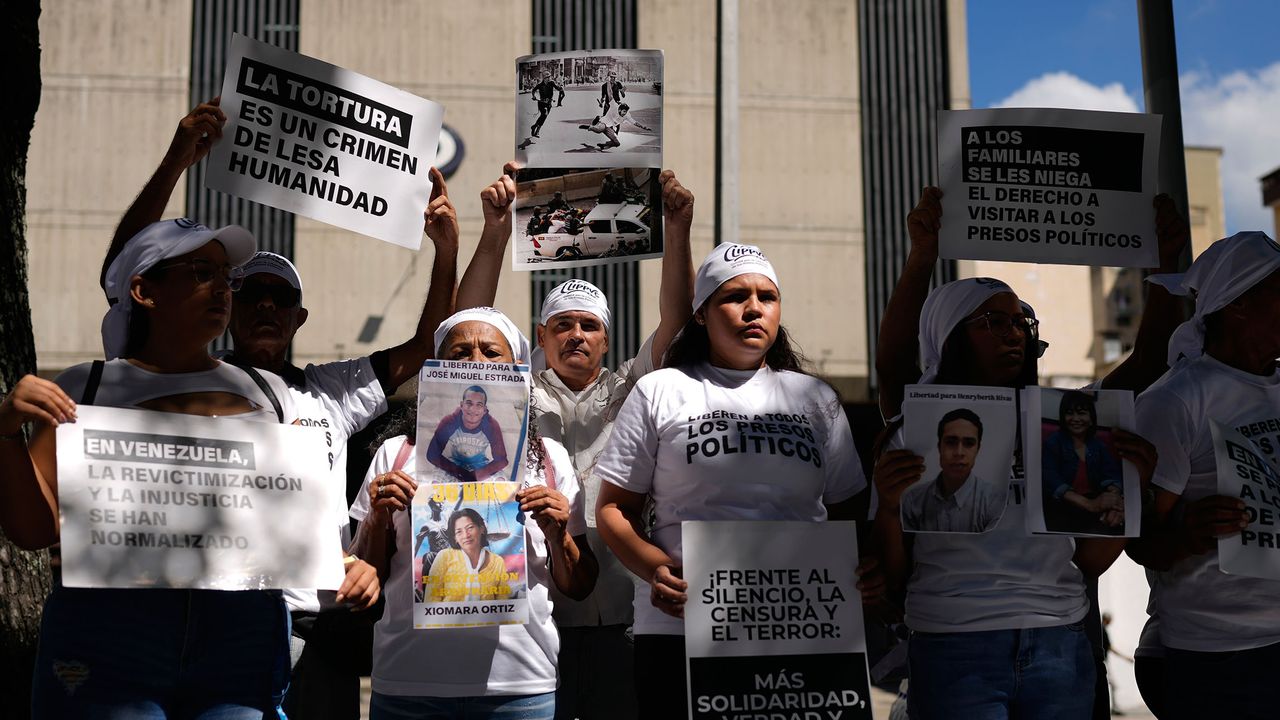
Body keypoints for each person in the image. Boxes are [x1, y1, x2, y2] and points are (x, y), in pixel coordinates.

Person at [97, 98, 461, 719]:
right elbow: (126, 271)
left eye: (280, 296)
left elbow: (427, 348)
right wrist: (178, 159)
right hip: (218, 624)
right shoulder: (183, 376)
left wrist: (445, 249)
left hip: (319, 634)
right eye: (249, 293)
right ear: (226, 307)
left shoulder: (331, 391)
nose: (265, 305)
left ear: (299, 317)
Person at [0, 219, 378, 716]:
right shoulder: (83, 388)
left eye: (226, 275)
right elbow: (33, 530)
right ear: (144, 291)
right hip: (111, 636)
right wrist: (7, 435)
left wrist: (348, 564)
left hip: (239, 636)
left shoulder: (270, 393)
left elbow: (288, 522)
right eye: (202, 271)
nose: (222, 287)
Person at [873, 186, 1189, 720]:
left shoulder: (1066, 420)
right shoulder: (919, 427)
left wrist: (1164, 267)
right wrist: (921, 257)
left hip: (1060, 646)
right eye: (993, 322)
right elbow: (892, 365)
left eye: (1022, 322)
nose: (1014, 334)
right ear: (948, 336)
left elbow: (1147, 363)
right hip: (953, 648)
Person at [594, 242, 872, 718]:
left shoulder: (815, 398)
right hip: (682, 628)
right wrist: (655, 569)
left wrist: (863, 568)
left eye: (767, 297)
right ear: (701, 313)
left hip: (802, 627)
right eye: (735, 296)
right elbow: (615, 509)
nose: (754, 309)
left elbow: (848, 511)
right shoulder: (662, 389)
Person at [467, 164, 695, 720]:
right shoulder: (512, 392)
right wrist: (495, 232)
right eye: (562, 325)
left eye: (588, 326)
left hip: (624, 617)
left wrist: (678, 229)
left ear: (606, 339)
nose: (575, 335)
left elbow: (678, 323)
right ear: (540, 337)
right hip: (534, 618)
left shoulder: (635, 389)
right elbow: (466, 326)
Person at [349, 306, 597, 720]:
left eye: (491, 352)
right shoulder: (397, 455)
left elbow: (580, 585)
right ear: (436, 367)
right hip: (409, 683)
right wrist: (376, 516)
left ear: (517, 368)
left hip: (519, 689)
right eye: (460, 352)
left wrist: (559, 535)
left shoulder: (548, 459)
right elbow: (364, 576)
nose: (476, 362)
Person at [1127, 231, 1280, 720]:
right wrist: (1190, 533)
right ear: (1238, 304)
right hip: (1221, 657)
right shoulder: (1175, 399)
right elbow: (1142, 544)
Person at [900, 408, 1006, 533]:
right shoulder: (913, 500)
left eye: (969, 443)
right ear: (939, 447)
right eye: (950, 442)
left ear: (978, 449)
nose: (959, 453)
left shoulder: (994, 501)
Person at [1042, 391, 1124, 535]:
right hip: (1062, 504)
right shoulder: (1053, 443)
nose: (1075, 419)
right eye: (1069, 413)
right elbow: (1051, 479)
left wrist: (1113, 498)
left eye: (1081, 413)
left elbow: (1112, 473)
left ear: (1091, 419)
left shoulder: (1098, 446)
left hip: (1093, 501)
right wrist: (1090, 505)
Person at [425, 385, 509, 482]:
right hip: (455, 465)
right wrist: (461, 473)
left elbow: (501, 460)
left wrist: (476, 475)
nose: (473, 409)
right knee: (436, 480)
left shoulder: (491, 425)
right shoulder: (450, 421)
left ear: (484, 410)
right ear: (461, 405)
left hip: (480, 466)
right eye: (469, 403)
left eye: (479, 405)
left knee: (500, 479)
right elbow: (432, 454)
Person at [424, 508, 511, 602]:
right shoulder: (445, 557)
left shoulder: (497, 561)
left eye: (470, 528)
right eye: (459, 532)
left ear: (481, 529)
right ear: (455, 538)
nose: (466, 535)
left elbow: (503, 602)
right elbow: (430, 601)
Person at [579, 103, 652, 151]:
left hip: (609, 127)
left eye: (626, 112)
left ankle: (603, 146)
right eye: (624, 111)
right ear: (619, 110)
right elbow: (610, 95)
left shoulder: (626, 116)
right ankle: (590, 126)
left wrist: (643, 127)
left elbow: (634, 122)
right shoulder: (614, 110)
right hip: (604, 123)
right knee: (599, 129)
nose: (625, 113)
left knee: (617, 143)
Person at [530, 70, 565, 138]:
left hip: (549, 104)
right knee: (544, 114)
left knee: (543, 117)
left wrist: (560, 88)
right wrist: (534, 96)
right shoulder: (540, 85)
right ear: (544, 78)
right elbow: (533, 90)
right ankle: (537, 131)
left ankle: (535, 127)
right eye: (547, 77)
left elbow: (557, 88)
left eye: (549, 77)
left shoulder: (551, 83)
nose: (549, 78)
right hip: (541, 103)